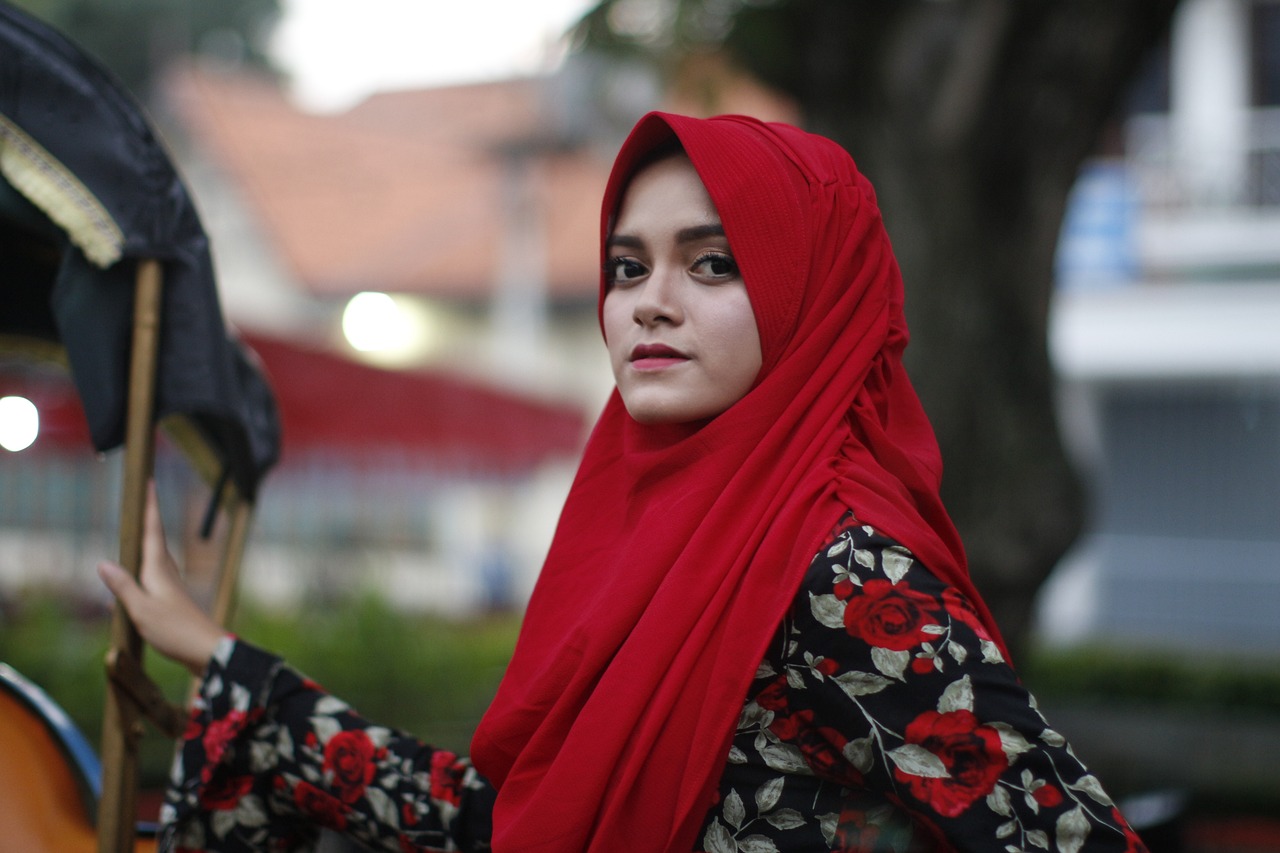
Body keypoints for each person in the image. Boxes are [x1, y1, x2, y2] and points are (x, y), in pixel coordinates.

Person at [100, 111, 1150, 852]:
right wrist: (221, 661)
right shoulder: (637, 536)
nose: (648, 302)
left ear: (811, 298)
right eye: (625, 266)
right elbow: (511, 827)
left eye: (711, 264)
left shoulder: (838, 570)